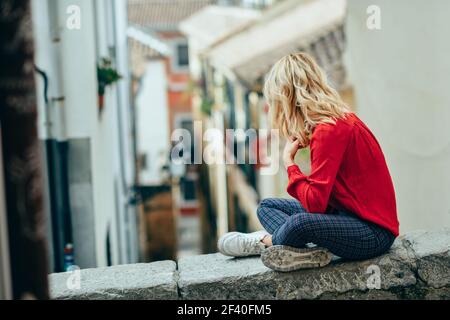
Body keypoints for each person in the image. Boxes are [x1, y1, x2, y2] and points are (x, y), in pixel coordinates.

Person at [218, 53, 399, 272]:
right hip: (344, 215)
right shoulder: (337, 119)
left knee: (300, 224)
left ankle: (266, 242)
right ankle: (303, 252)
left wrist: (289, 163)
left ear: (288, 98)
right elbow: (323, 199)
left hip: (372, 234)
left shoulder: (328, 130)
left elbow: (315, 204)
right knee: (267, 206)